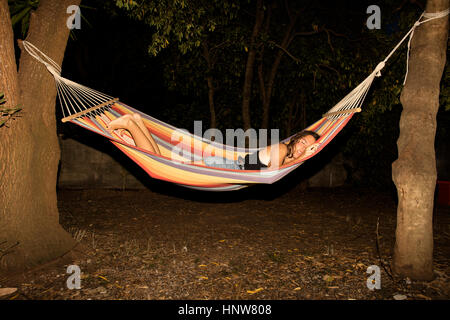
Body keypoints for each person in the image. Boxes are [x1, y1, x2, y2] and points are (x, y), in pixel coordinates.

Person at [106, 113, 320, 170]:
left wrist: (309, 153)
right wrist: (309, 155)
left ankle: (136, 124)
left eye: (306, 146)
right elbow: (272, 174)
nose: (302, 147)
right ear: (296, 139)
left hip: (226, 165)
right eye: (303, 142)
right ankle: (132, 125)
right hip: (223, 166)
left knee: (161, 160)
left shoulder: (287, 155)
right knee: (160, 165)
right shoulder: (282, 149)